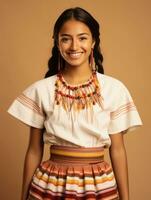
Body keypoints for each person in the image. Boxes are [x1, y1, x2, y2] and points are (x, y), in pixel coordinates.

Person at [8, 7, 143, 200]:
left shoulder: (114, 89)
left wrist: (126, 198)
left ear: (94, 42)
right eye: (65, 38)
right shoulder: (41, 90)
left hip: (99, 186)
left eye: (82, 38)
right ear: (57, 42)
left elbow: (118, 149)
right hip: (50, 185)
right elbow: (33, 150)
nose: (74, 46)